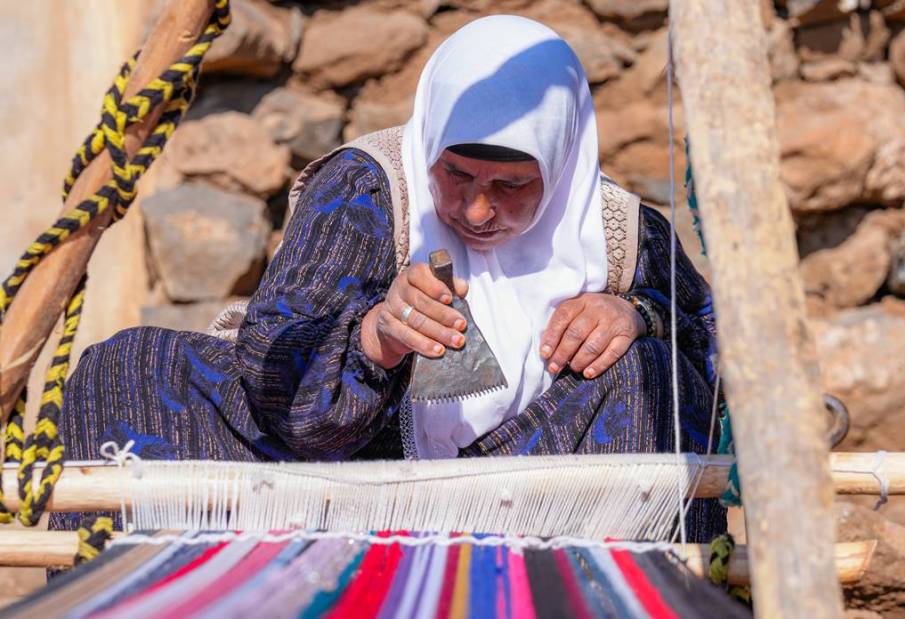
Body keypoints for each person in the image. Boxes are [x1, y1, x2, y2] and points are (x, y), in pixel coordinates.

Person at [55, 15, 726, 539]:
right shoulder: (368, 189)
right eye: (456, 174)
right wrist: (376, 337)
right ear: (430, 138)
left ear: (564, 163)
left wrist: (639, 314)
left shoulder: (617, 228)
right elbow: (276, 359)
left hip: (542, 486)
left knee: (652, 371)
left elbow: (721, 348)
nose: (476, 208)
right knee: (127, 369)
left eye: (513, 185)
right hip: (354, 479)